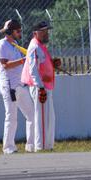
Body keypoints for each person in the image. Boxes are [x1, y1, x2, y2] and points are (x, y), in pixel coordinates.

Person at [0, 19, 35, 154]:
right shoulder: (2, 45)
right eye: (18, 31)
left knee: (31, 114)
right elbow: (5, 65)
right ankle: (8, 147)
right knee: (11, 117)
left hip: (20, 85)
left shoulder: (15, 44)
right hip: (9, 87)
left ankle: (31, 146)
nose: (20, 33)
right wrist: (24, 59)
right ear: (11, 32)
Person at [21, 21, 60, 151]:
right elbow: (33, 69)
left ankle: (48, 145)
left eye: (46, 31)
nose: (46, 33)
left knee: (49, 117)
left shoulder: (40, 46)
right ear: (35, 33)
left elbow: (41, 64)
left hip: (45, 86)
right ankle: (41, 146)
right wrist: (40, 87)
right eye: (43, 31)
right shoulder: (34, 47)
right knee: (42, 117)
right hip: (40, 87)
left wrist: (51, 63)